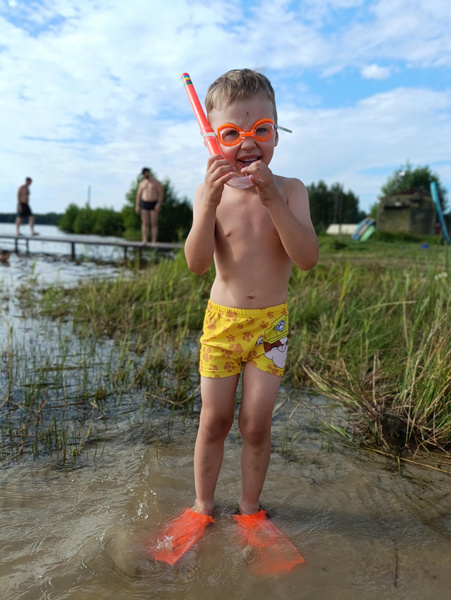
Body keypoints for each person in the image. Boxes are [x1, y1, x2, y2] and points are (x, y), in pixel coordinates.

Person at [184, 69, 319, 519]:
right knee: (215, 420)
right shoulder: (210, 193)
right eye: (231, 133)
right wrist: (205, 208)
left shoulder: (291, 190)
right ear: (213, 138)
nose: (247, 144)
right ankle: (202, 507)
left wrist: (272, 202)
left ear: (276, 134)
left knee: (255, 424)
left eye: (260, 130)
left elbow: (306, 258)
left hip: (270, 328)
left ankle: (249, 509)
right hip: (222, 324)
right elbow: (197, 263)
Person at [135, 167, 164, 245]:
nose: (144, 175)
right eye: (143, 174)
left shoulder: (156, 183)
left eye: (145, 173)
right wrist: (137, 206)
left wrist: (158, 204)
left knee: (154, 222)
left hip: (154, 203)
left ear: (148, 172)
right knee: (145, 222)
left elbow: (161, 194)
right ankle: (144, 240)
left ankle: (153, 241)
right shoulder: (142, 183)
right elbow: (138, 195)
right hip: (144, 203)